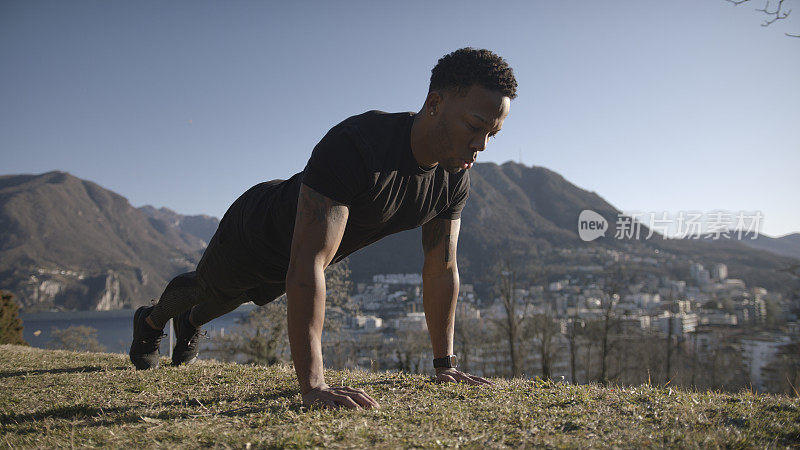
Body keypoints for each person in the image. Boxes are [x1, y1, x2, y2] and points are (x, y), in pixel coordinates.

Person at [129, 47, 517, 409]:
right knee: (210, 287)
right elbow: (309, 260)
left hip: (296, 262)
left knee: (237, 299)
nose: (480, 145)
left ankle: (190, 322)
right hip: (255, 230)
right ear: (435, 103)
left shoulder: (453, 180)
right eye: (474, 125)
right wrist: (313, 386)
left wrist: (444, 364)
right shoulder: (358, 145)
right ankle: (151, 320)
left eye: (492, 134)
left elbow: (442, 268)